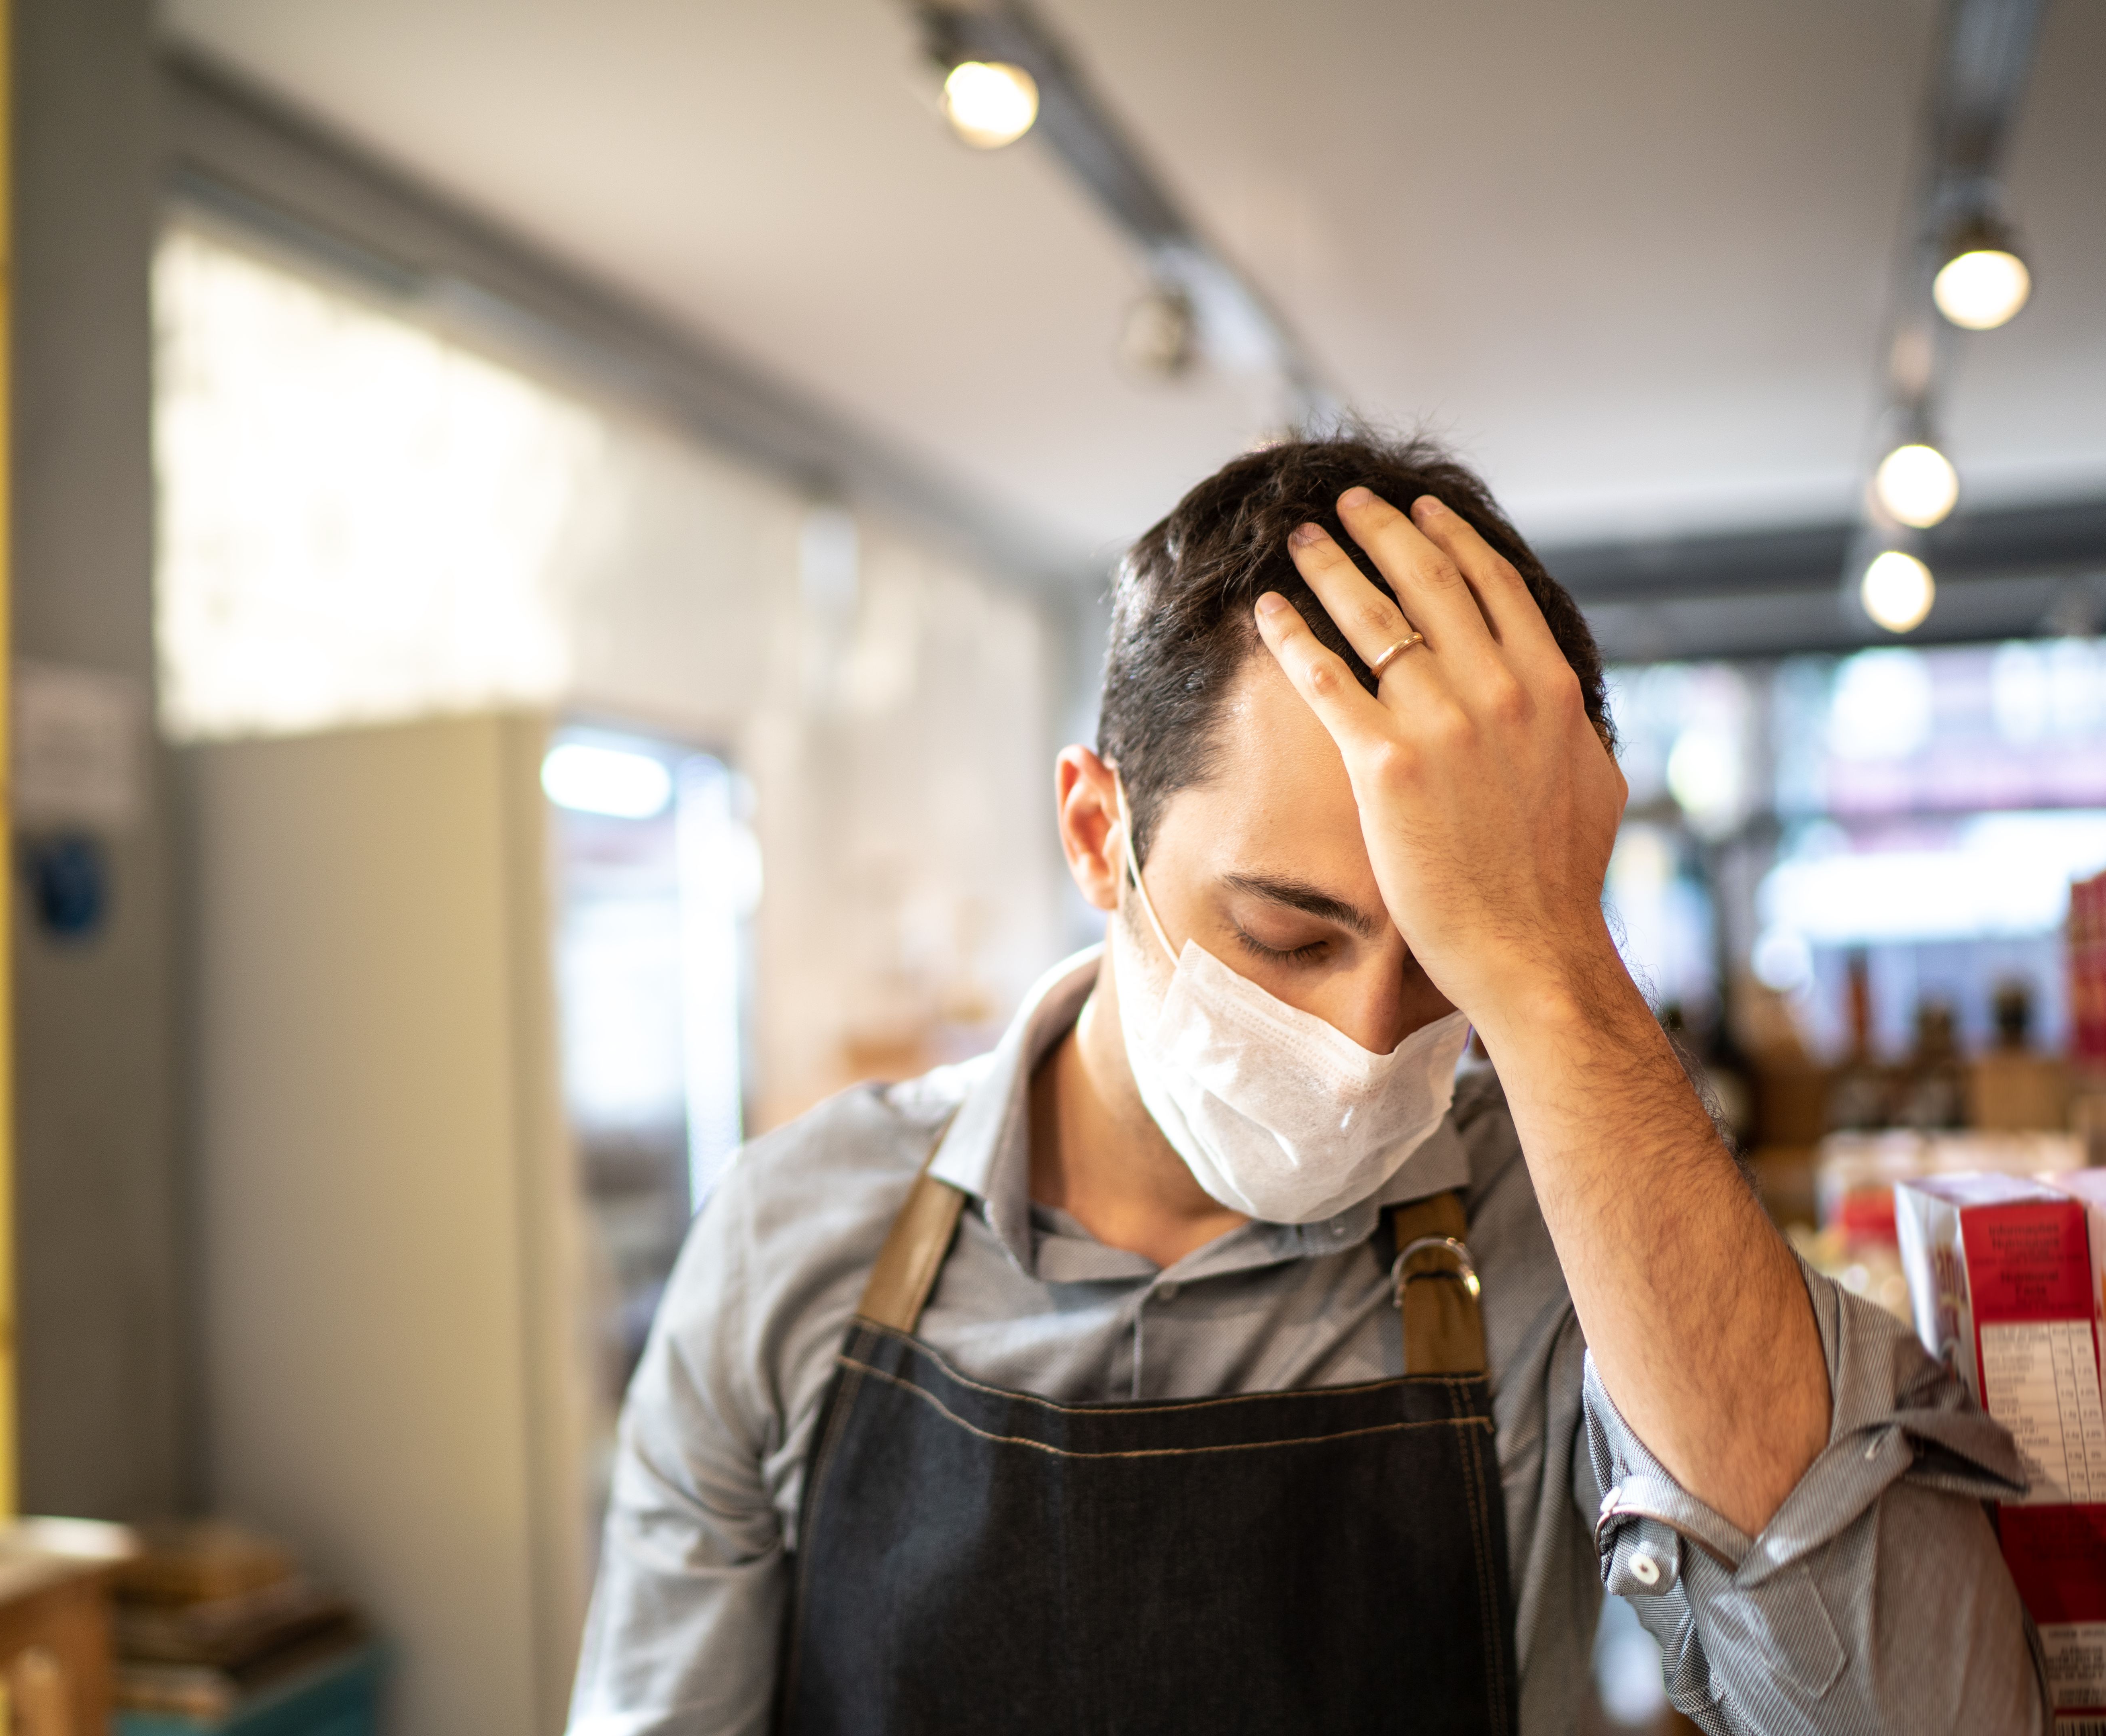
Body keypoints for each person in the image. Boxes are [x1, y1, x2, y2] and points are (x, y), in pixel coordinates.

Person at [567, 433, 2040, 1734]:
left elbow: (1917, 1716)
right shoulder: (792, 1236)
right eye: (1287, 933)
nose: (1360, 1037)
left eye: (1443, 960)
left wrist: (1554, 968)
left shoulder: (1574, 1235)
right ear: (1098, 834)